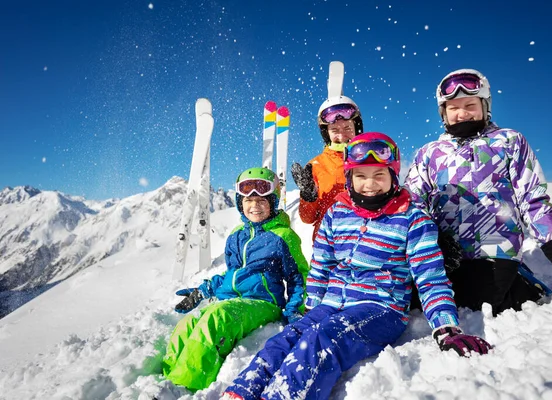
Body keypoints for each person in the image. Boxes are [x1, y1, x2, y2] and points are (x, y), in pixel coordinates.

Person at [223, 133, 491, 400]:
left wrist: (446, 327)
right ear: (350, 178)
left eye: (379, 176)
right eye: (361, 176)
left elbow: (430, 277)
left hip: (380, 307)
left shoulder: (411, 217)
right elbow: (321, 264)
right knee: (287, 338)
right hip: (331, 303)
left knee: (322, 340)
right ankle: (241, 392)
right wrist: (311, 306)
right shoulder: (338, 212)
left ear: (393, 177)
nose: (370, 185)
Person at [405, 68, 552, 316]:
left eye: (470, 105)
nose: (462, 113)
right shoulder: (430, 153)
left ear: (485, 106)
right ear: (444, 113)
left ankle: (521, 284)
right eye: (453, 108)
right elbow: (411, 204)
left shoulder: (508, 142)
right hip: (444, 256)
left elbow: (533, 200)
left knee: (475, 304)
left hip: (495, 251)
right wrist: (430, 240)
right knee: (415, 301)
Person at [162, 167, 309, 391]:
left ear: (273, 202)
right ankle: (168, 380)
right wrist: (204, 291)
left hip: (263, 304)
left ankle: (185, 385)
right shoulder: (236, 236)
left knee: (217, 318)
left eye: (262, 200)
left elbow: (298, 276)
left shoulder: (283, 236)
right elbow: (233, 276)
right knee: (188, 324)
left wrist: (294, 309)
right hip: (234, 301)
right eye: (248, 200)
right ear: (240, 204)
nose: (255, 205)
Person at [291, 94, 364, 241]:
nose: (342, 135)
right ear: (326, 133)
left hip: (366, 244)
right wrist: (308, 196)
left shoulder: (371, 157)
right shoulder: (315, 166)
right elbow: (307, 219)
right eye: (335, 130)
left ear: (356, 128)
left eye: (347, 128)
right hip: (327, 247)